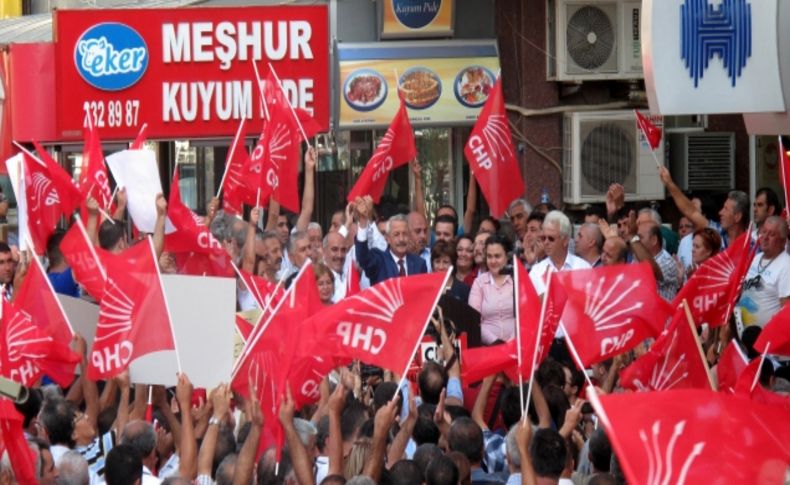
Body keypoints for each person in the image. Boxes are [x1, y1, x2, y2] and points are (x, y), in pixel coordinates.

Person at [355, 197, 427, 285]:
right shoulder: (379, 261)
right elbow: (363, 258)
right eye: (396, 234)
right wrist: (363, 222)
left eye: (404, 234)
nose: (401, 239)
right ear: (388, 238)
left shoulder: (419, 264)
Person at [737, 216, 790, 329]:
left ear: (782, 241)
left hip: (763, 339)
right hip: (742, 334)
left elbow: (786, 310)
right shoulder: (755, 258)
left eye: (771, 234)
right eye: (763, 232)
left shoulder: (786, 265)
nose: (765, 237)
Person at [529, 211, 591, 297]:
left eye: (551, 238)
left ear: (565, 240)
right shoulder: (536, 271)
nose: (546, 242)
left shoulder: (584, 268)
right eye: (543, 238)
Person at [469, 235, 515, 344]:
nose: (493, 261)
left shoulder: (517, 280)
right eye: (489, 256)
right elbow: (473, 320)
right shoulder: (479, 283)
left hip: (517, 347)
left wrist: (512, 342)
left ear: (507, 257)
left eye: (497, 256)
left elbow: (525, 318)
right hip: (488, 348)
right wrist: (495, 342)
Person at [631, 221, 679, 301]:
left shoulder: (667, 261)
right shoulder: (636, 259)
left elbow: (651, 271)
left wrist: (632, 237)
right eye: (636, 238)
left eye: (640, 238)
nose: (637, 242)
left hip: (663, 313)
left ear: (654, 240)